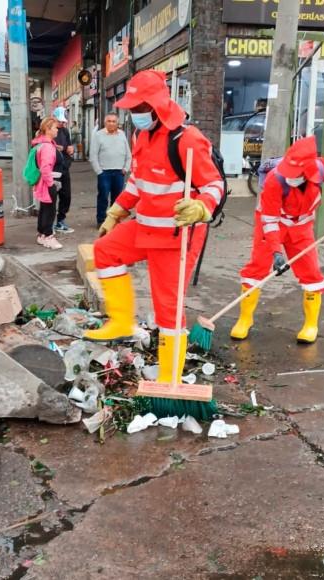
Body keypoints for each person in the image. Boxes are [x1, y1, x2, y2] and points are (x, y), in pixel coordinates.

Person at [83, 70, 224, 384]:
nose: (134, 114)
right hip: (144, 226)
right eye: (131, 109)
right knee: (105, 250)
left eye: (139, 108)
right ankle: (121, 321)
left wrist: (202, 206)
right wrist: (117, 210)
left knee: (167, 308)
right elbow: (137, 181)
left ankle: (170, 376)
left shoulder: (187, 139)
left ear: (158, 106)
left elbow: (214, 184)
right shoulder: (140, 135)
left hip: (177, 236)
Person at [230, 136, 324, 344]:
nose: (290, 176)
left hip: (301, 227)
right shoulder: (275, 179)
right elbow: (269, 220)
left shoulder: (320, 168)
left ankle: (311, 325)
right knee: (257, 268)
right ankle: (245, 319)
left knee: (310, 271)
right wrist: (276, 252)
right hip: (273, 222)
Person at [90, 112, 132, 227]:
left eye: (114, 121)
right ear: (105, 123)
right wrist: (99, 171)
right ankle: (101, 220)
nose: (111, 123)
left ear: (117, 123)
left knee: (117, 199)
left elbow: (128, 154)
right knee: (103, 196)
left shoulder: (122, 134)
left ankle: (114, 220)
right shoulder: (98, 135)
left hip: (119, 172)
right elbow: (93, 156)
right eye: (109, 121)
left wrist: (126, 168)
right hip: (105, 172)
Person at [31, 116, 64, 250]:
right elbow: (45, 167)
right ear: (48, 129)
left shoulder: (42, 143)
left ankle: (42, 235)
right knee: (50, 210)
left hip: (46, 182)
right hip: (49, 182)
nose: (57, 130)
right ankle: (48, 236)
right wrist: (51, 183)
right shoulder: (48, 146)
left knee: (45, 209)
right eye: (55, 128)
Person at [52, 106, 75, 234]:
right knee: (51, 197)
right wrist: (58, 148)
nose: (61, 123)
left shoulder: (65, 131)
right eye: (59, 121)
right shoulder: (48, 130)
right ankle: (49, 224)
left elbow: (67, 145)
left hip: (64, 167)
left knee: (66, 196)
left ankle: (61, 220)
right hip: (52, 169)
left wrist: (70, 148)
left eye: (63, 121)